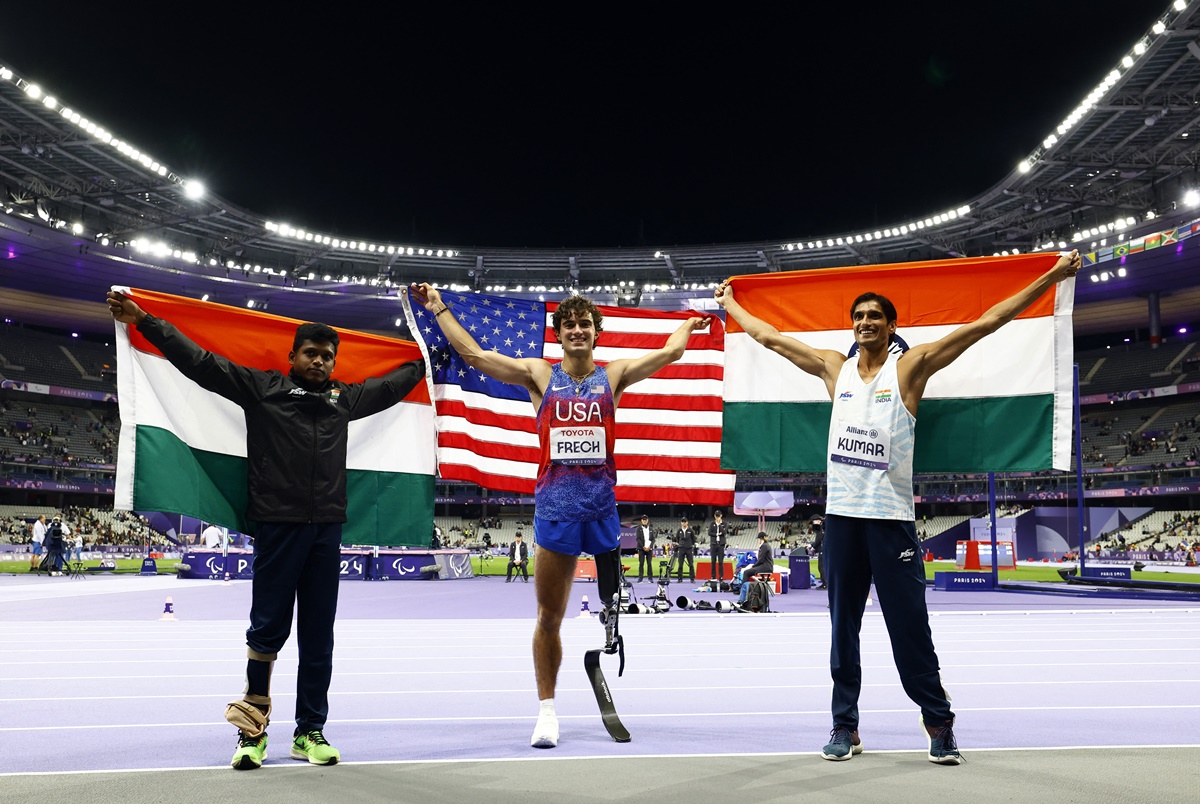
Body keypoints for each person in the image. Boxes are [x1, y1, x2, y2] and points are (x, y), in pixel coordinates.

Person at [716, 249, 1082, 766]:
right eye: (858, 316)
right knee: (842, 628)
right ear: (853, 326)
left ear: (891, 326)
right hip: (842, 520)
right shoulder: (833, 369)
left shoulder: (911, 367)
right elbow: (768, 338)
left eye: (875, 316)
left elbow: (989, 322)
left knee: (910, 629)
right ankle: (845, 727)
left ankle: (938, 724)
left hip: (890, 522)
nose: (865, 322)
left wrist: (1051, 275)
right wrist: (731, 303)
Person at [107, 290, 424, 771]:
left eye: (327, 356)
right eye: (311, 354)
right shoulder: (263, 388)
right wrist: (146, 322)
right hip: (278, 527)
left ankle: (309, 732)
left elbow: (392, 386)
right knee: (266, 632)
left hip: (326, 531)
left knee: (319, 637)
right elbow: (201, 362)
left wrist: (429, 358)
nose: (319, 361)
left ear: (335, 363)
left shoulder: (343, 400)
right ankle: (251, 732)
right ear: (292, 356)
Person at [410, 282, 708, 748]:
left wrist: (687, 326)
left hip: (603, 508)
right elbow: (474, 355)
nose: (577, 330)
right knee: (550, 616)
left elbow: (669, 354)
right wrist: (439, 307)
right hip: (555, 510)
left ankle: (609, 632)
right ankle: (546, 711)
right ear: (560, 333)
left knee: (613, 608)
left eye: (584, 324)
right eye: (568, 324)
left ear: (596, 332)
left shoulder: (614, 375)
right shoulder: (539, 375)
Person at [736, 531, 774, 607]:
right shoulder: (766, 545)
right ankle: (746, 593)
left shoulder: (764, 546)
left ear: (761, 538)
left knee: (747, 572)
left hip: (765, 566)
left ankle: (743, 595)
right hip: (767, 565)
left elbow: (761, 560)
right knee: (748, 572)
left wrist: (753, 566)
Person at [673, 515, 697, 583]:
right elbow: (677, 538)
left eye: (685, 522)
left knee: (691, 564)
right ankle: (680, 578)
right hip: (681, 549)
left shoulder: (690, 530)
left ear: (687, 523)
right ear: (681, 523)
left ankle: (692, 578)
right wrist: (681, 544)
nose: (684, 523)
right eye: (682, 522)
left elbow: (693, 538)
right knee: (680, 564)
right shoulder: (679, 530)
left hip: (689, 549)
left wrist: (690, 545)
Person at [708, 510, 728, 587]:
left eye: (718, 516)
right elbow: (709, 533)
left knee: (720, 562)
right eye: (716, 516)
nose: (717, 518)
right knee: (713, 561)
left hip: (721, 544)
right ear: (714, 516)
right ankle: (713, 576)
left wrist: (719, 525)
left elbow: (724, 532)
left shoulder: (724, 523)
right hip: (713, 544)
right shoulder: (712, 524)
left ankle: (721, 576)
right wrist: (717, 534)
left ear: (721, 516)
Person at [635, 513, 655, 582]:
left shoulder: (651, 529)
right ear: (641, 521)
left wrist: (650, 547)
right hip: (641, 549)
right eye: (643, 520)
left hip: (649, 548)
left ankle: (650, 577)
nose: (644, 521)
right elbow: (638, 539)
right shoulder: (638, 529)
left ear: (647, 520)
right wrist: (643, 547)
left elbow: (653, 539)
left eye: (645, 520)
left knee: (649, 563)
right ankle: (640, 577)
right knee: (641, 563)